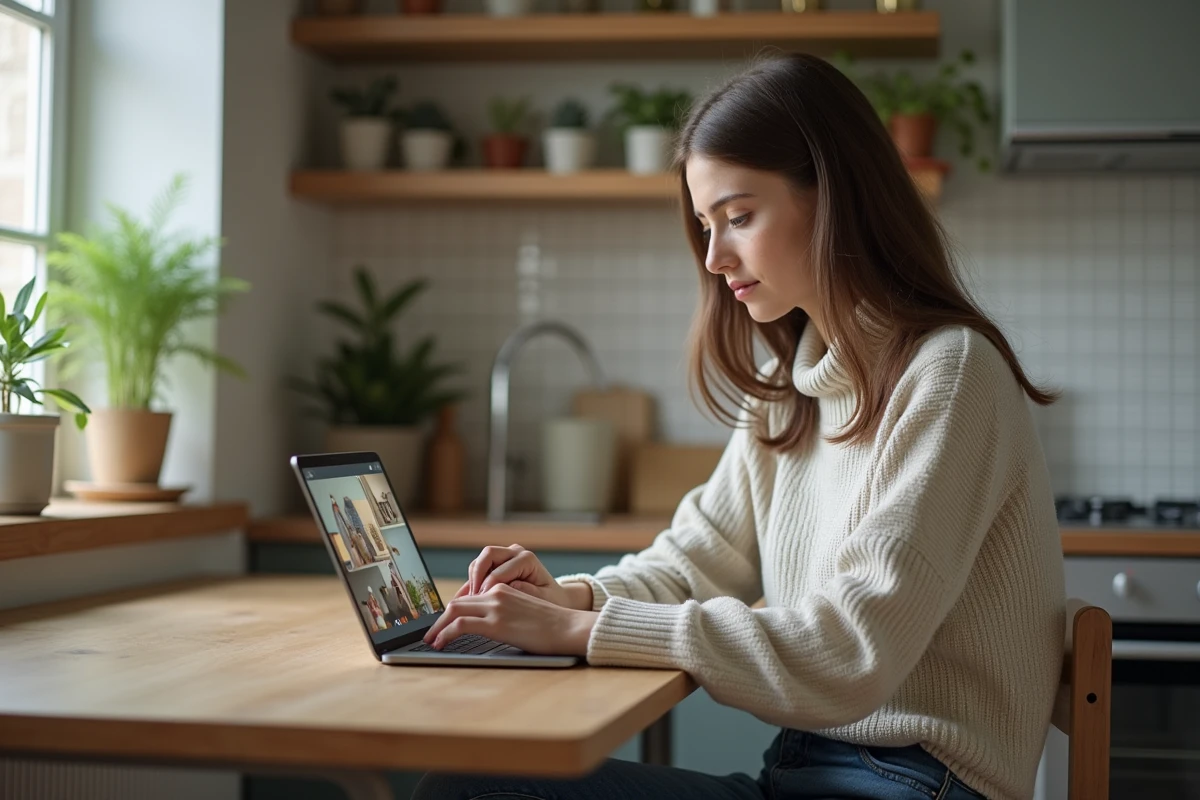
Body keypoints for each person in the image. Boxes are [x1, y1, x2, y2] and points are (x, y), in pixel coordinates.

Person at [413, 52, 1065, 800]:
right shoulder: (790, 391)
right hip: (804, 772)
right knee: (473, 784)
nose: (716, 256)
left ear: (834, 198)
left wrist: (584, 633)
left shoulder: (949, 373)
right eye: (705, 225)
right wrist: (572, 600)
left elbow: (849, 653)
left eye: (740, 216)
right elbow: (692, 560)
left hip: (917, 783)